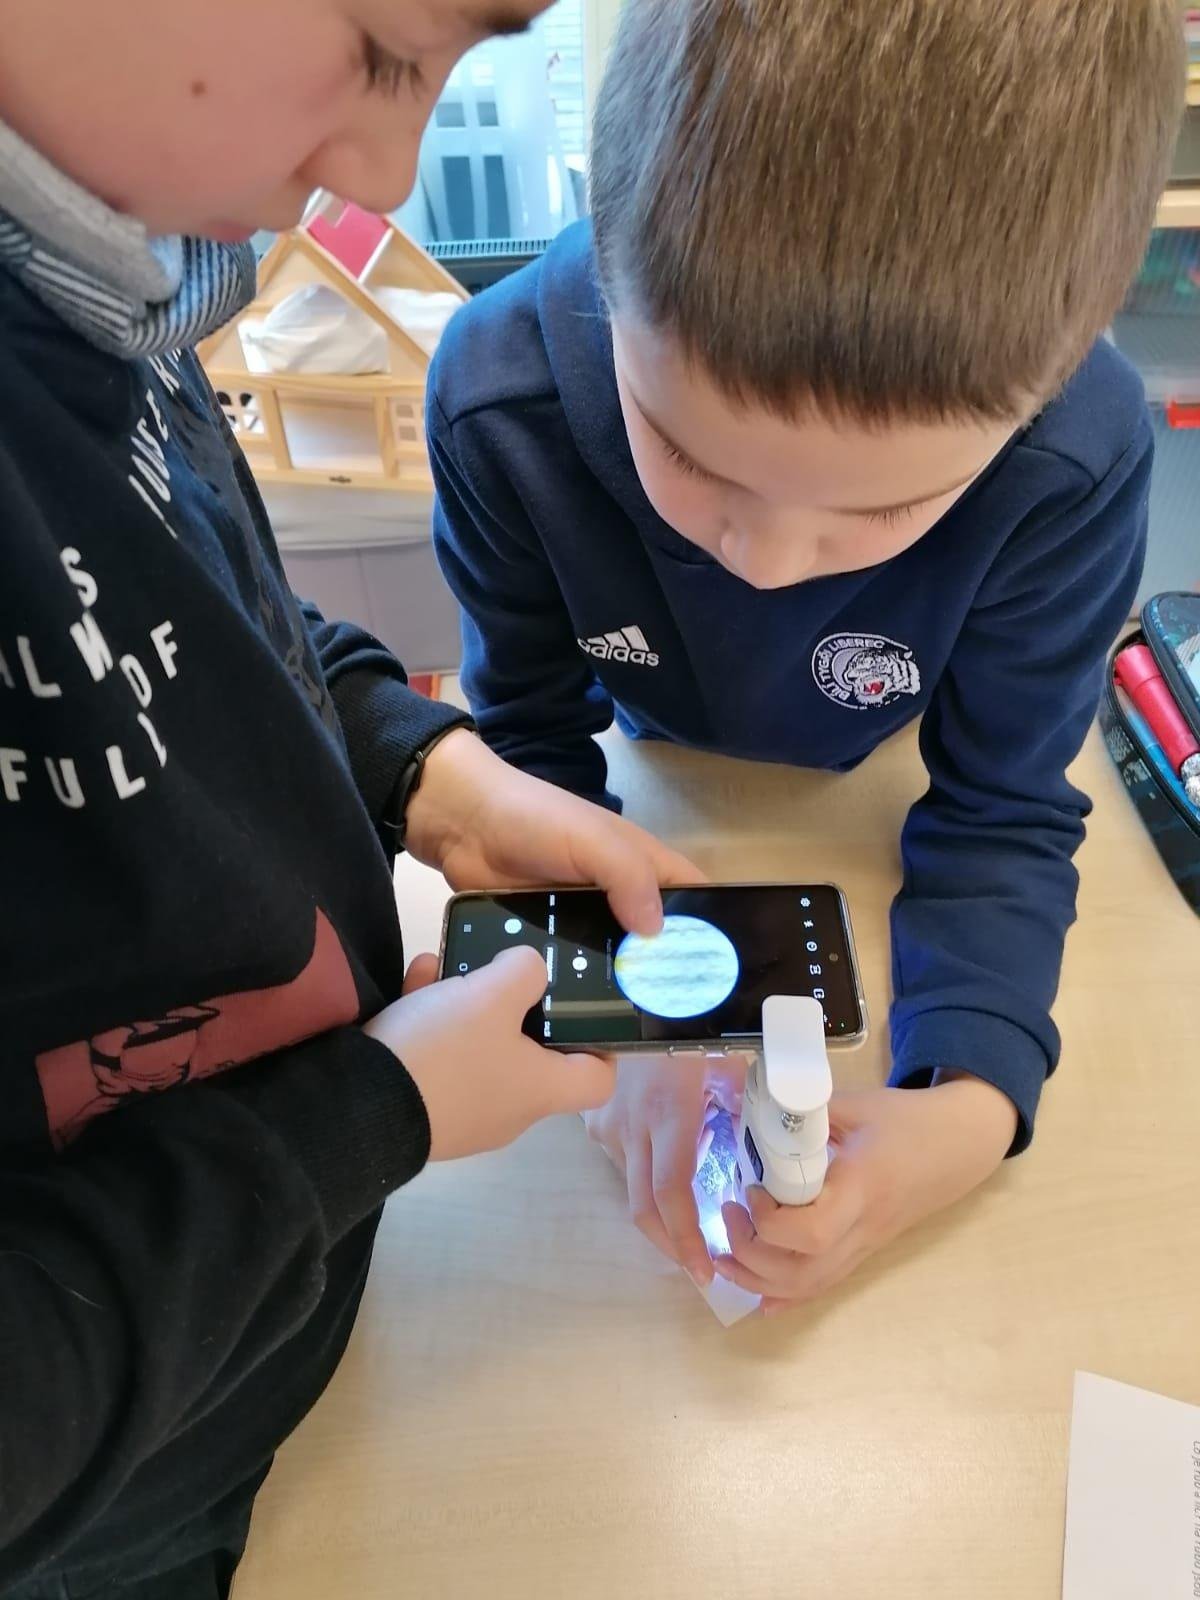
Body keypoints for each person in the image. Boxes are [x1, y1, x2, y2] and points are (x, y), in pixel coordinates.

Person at [0, 2, 702, 1594]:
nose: (388, 171)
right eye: (388, 47)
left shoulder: (105, 255)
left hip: (289, 1312)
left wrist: (417, 767)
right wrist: (374, 1116)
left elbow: (186, 607)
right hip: (125, 1500)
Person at [429, 0, 1184, 1313]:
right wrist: (611, 1023)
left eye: (884, 511)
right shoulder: (501, 403)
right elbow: (525, 756)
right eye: (692, 457)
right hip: (651, 792)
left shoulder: (1076, 459)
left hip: (865, 788)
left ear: (1046, 391)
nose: (769, 565)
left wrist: (967, 1111)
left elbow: (1004, 807)